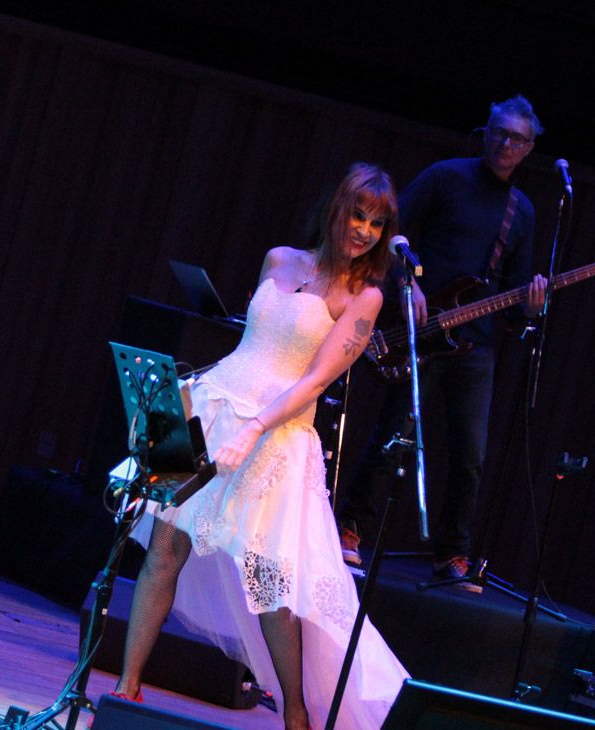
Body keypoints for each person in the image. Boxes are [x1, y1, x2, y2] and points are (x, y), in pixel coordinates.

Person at [112, 162, 410, 729]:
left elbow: (314, 381)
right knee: (165, 548)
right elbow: (251, 344)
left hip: (275, 433)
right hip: (214, 406)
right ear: (336, 209)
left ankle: (295, 713)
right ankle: (127, 688)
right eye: (357, 214)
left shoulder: (363, 297)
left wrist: (256, 426)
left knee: (268, 578)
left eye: (377, 223)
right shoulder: (279, 259)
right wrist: (191, 391)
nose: (364, 230)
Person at [336, 95, 549, 588]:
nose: (505, 144)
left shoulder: (523, 211)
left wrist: (532, 305)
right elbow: (392, 231)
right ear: (486, 131)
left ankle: (452, 555)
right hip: (425, 329)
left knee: (470, 456)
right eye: (498, 132)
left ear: (529, 148)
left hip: (477, 347)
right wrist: (410, 282)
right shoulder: (446, 176)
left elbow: (516, 295)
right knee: (393, 433)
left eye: (517, 139)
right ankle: (350, 528)